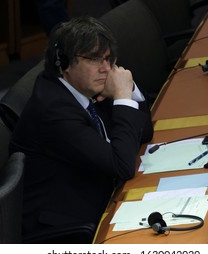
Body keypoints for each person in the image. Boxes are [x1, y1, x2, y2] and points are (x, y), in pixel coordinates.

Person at [9, 16, 154, 242]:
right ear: (64, 63)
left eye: (109, 59)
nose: (106, 68)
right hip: (66, 229)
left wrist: (129, 90)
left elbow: (143, 132)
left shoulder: (83, 87)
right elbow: (121, 166)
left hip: (97, 193)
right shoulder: (54, 110)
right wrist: (123, 96)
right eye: (95, 59)